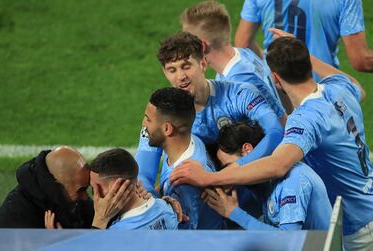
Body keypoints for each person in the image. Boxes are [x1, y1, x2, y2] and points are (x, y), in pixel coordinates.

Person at [170, 36, 373, 250]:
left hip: (357, 229)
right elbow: (358, 86)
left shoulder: (305, 120)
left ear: (275, 79)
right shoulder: (338, 87)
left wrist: (211, 177)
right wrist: (300, 51)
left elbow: (278, 165)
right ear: (307, 63)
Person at [136, 32, 284, 196]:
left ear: (203, 63)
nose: (181, 77)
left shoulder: (239, 94)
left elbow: (276, 131)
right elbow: (143, 176)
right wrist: (153, 200)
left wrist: (234, 169)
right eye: (172, 70)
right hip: (193, 204)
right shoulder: (159, 114)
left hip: (250, 197)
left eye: (186, 66)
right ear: (165, 73)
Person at [204, 122, 331, 230]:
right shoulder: (263, 183)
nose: (227, 175)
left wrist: (234, 213)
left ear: (247, 150)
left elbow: (288, 242)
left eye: (229, 167)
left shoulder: (293, 182)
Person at [180, 1, 288, 119]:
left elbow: (274, 127)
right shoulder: (242, 53)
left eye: (187, 42)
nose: (184, 48)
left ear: (202, 46)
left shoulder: (239, 83)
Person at [141, 87, 223, 229]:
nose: (143, 124)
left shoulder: (185, 186)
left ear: (167, 129)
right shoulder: (188, 141)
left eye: (148, 119)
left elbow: (183, 239)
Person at [235, 0, 373, 72]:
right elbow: (361, 60)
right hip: (322, 93)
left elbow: (243, 44)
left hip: (276, 90)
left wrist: (267, 63)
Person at [0, 146, 94, 228]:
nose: (86, 197)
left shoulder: (66, 197)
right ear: (56, 186)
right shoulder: (17, 220)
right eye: (81, 190)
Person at [87, 148, 179, 230]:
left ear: (117, 188)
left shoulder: (116, 235)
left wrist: (99, 221)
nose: (93, 194)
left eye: (96, 188)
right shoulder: (168, 208)